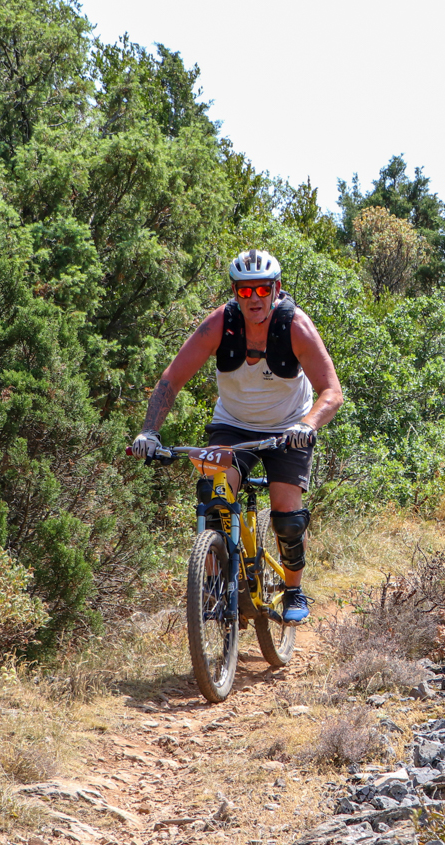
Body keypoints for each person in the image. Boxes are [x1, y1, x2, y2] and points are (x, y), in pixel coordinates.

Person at [132, 249, 343, 623]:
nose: (254, 298)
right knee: (213, 497)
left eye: (262, 289)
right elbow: (171, 379)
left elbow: (332, 392)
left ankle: (294, 590)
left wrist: (308, 425)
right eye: (245, 291)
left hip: (288, 428)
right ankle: (216, 589)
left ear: (276, 288)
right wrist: (149, 431)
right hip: (233, 425)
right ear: (235, 292)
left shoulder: (296, 327)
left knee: (288, 518)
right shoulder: (219, 324)